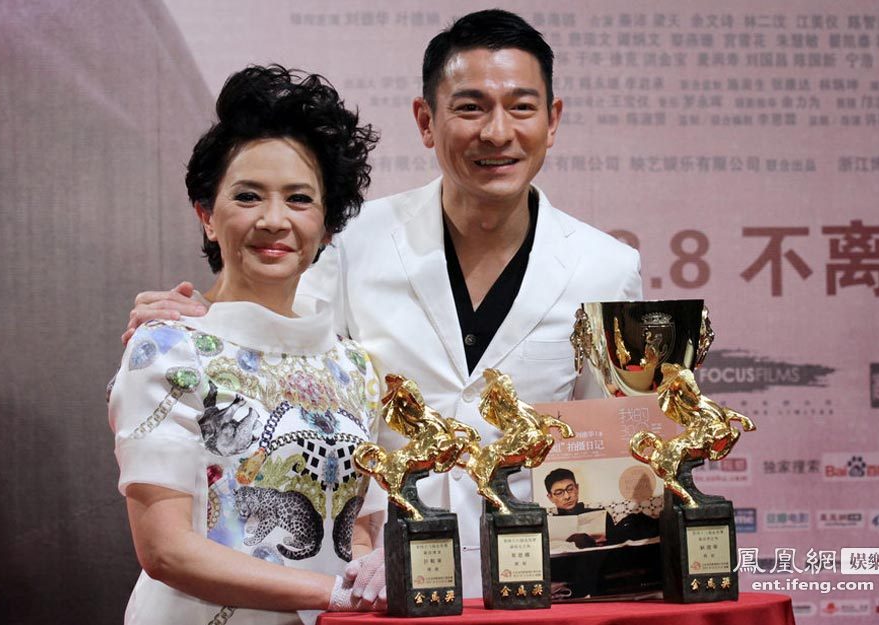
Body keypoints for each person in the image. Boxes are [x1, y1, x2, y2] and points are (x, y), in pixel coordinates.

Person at [122, 10, 643, 598]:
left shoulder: (607, 268)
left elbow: (607, 443)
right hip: (378, 585)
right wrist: (198, 318)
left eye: (521, 107)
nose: (497, 132)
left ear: (552, 121)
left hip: (529, 585)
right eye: (470, 107)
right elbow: (274, 344)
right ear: (426, 121)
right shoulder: (352, 240)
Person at [108, 65, 386, 625]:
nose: (274, 220)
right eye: (248, 196)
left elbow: (354, 531)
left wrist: (373, 570)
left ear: (328, 227)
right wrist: (331, 592)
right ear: (207, 216)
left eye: (299, 199)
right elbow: (165, 549)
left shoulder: (356, 367)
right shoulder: (168, 348)